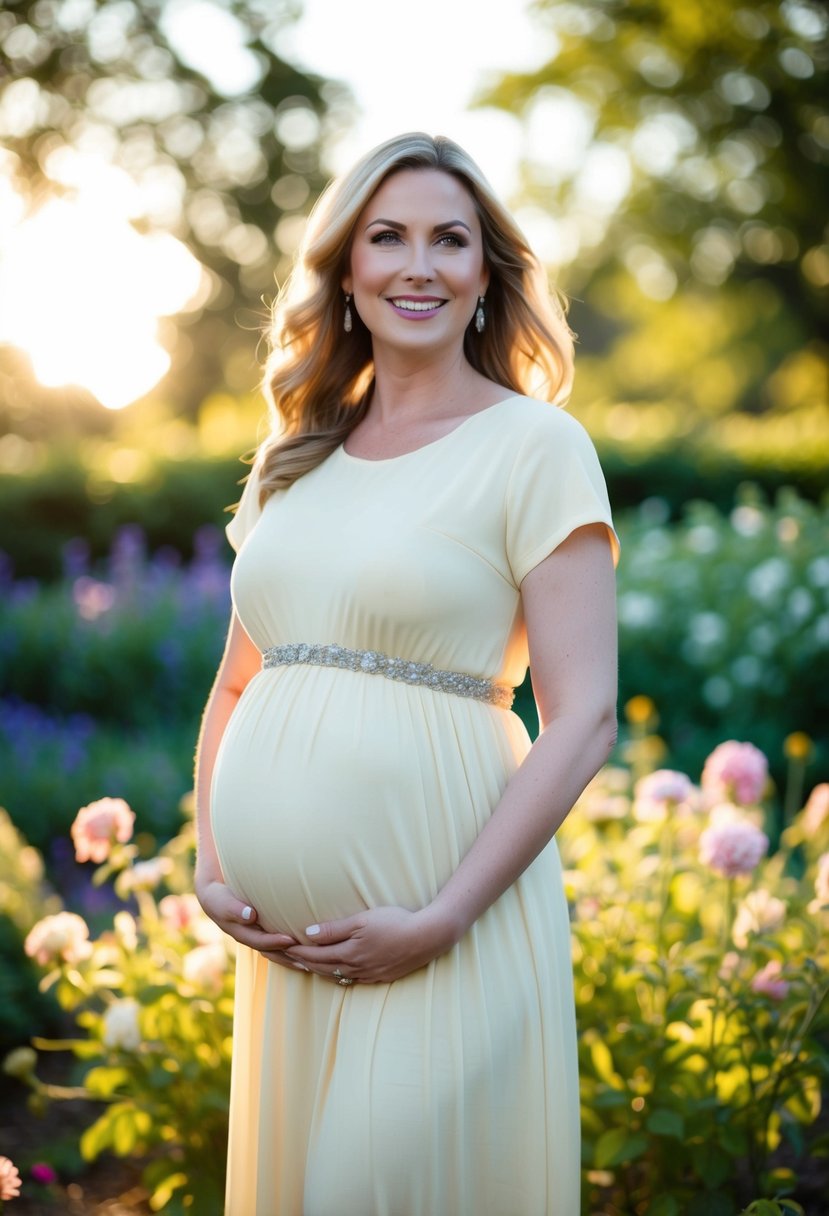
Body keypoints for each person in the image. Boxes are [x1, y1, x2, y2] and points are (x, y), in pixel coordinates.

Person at [194, 131, 619, 1216]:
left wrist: (439, 918)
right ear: (346, 269)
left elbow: (582, 719)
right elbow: (238, 682)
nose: (416, 265)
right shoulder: (296, 456)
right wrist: (209, 863)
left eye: (449, 240)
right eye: (386, 236)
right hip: (286, 956)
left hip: (445, 928)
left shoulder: (535, 446)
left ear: (487, 274)